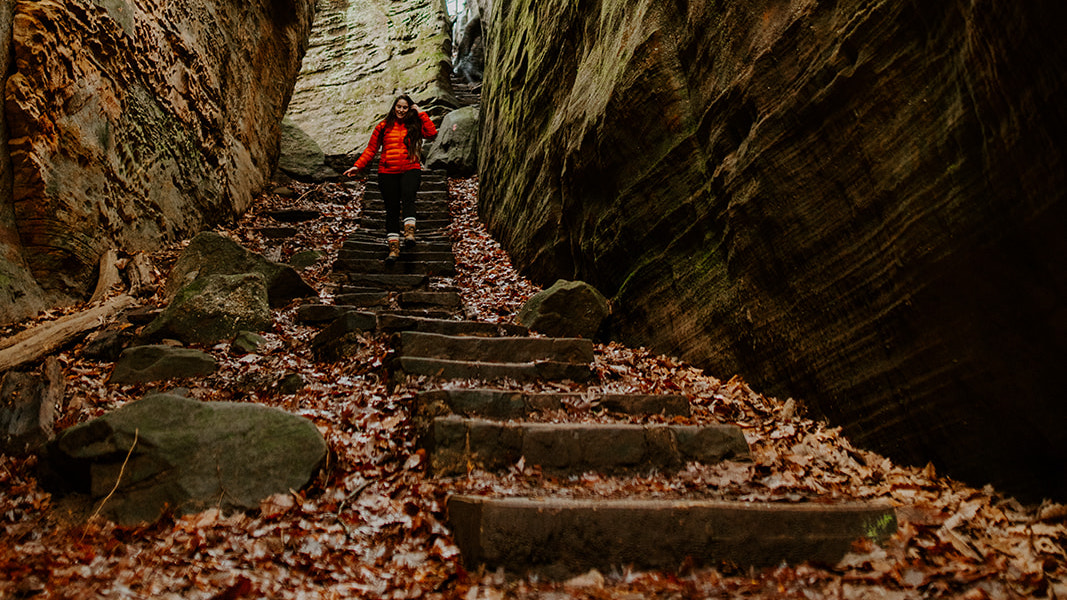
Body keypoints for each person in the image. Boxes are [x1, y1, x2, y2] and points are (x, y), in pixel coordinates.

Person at [344, 95, 438, 263]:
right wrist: (358, 166)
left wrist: (420, 112)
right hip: (387, 173)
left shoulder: (415, 126)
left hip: (411, 169)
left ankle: (409, 234)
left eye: (405, 107)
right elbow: (371, 149)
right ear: (394, 107)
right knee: (392, 210)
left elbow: (432, 133)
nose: (401, 110)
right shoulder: (383, 126)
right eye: (399, 106)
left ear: (410, 109)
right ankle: (393, 250)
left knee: (408, 198)